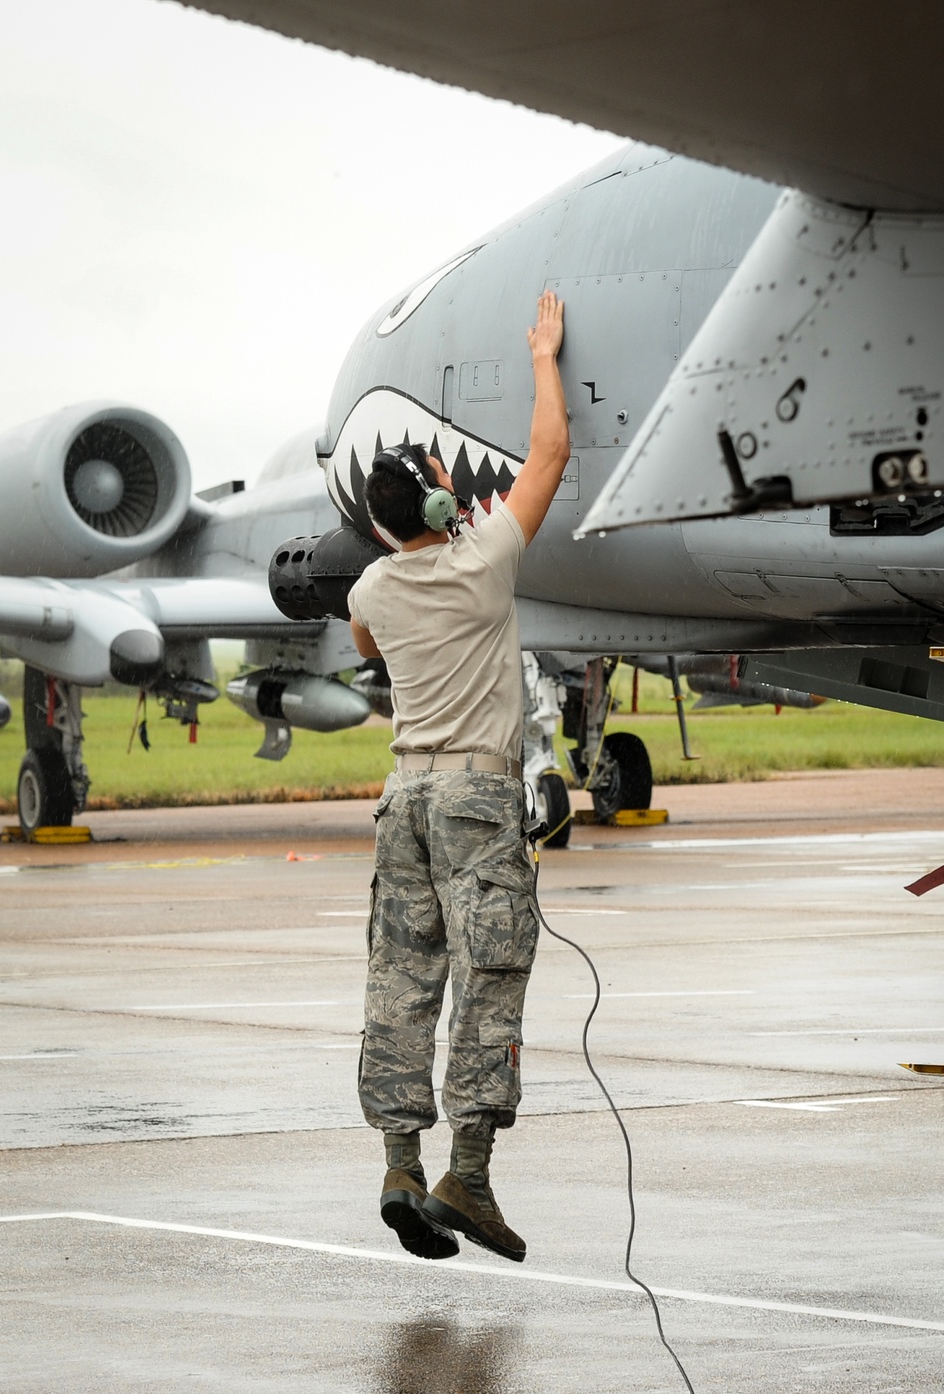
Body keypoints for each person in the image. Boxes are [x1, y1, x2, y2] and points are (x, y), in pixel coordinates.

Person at [348, 289, 569, 1264]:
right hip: (479, 799)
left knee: (400, 979)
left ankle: (400, 1162)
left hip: (402, 800)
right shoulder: (483, 563)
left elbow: (366, 636)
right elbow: (549, 456)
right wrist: (542, 357)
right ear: (443, 500)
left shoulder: (371, 587)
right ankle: (466, 1173)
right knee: (491, 979)